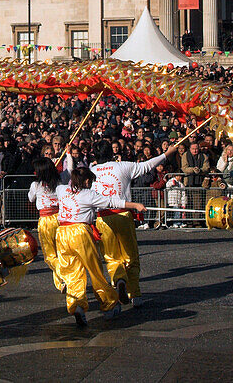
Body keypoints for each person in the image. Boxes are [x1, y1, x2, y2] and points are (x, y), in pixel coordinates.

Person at [90, 140, 180, 307]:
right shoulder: (122, 166)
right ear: (112, 152)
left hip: (103, 217)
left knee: (111, 257)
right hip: (123, 215)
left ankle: (118, 279)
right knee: (130, 255)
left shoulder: (93, 171)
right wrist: (167, 154)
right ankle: (135, 293)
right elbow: (146, 166)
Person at [55, 166, 146, 327]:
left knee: (72, 273)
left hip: (61, 234)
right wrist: (134, 205)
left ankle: (76, 304)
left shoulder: (62, 190)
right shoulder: (88, 194)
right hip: (80, 232)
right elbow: (112, 202)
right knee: (94, 270)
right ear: (88, 181)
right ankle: (109, 303)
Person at [27, 158, 64, 292]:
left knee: (50, 255)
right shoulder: (59, 182)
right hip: (60, 217)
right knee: (60, 251)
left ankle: (63, 275)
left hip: (46, 219)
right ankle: (60, 283)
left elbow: (31, 198)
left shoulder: (36, 185)